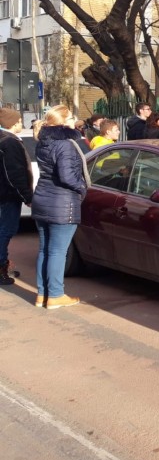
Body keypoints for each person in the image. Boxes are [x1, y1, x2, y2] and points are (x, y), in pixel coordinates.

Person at [31, 105, 89, 309]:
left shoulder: (43, 142)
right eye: (72, 117)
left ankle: (42, 294)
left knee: (45, 250)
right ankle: (55, 295)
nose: (75, 120)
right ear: (64, 121)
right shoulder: (65, 144)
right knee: (57, 251)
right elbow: (67, 176)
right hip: (62, 203)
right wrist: (82, 187)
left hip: (42, 198)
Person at [0, 109, 33, 285]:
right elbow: (14, 174)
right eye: (20, 121)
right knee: (6, 230)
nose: (21, 123)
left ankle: (4, 265)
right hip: (8, 195)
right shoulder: (10, 142)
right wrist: (26, 196)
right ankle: (1, 269)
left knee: (4, 230)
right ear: (13, 123)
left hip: (5, 194)